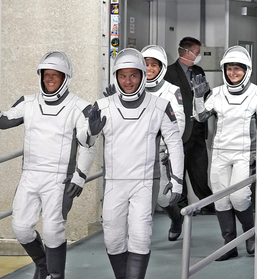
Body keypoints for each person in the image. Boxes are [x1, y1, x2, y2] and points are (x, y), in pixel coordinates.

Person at [0, 51, 96, 279]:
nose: (49, 79)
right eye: (45, 75)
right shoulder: (28, 102)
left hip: (60, 179)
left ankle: (56, 275)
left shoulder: (80, 107)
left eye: (55, 75)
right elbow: (3, 121)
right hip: (29, 176)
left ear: (65, 78)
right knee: (20, 228)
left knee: (52, 231)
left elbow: (87, 143)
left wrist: (80, 176)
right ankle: (43, 265)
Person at [86, 48, 184, 279]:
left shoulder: (160, 105)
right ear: (116, 77)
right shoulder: (102, 105)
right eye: (123, 76)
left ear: (142, 76)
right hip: (113, 184)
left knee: (140, 238)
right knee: (113, 239)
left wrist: (177, 181)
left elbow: (175, 144)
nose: (128, 81)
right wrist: (91, 132)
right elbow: (85, 141)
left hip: (143, 182)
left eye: (133, 75)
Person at [192, 45, 257, 261]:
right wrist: (198, 97)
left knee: (239, 198)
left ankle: (250, 234)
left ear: (246, 70)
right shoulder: (218, 93)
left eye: (238, 69)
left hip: (244, 154)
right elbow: (201, 117)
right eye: (229, 69)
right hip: (220, 153)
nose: (233, 73)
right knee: (221, 200)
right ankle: (229, 244)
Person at [164, 37, 215, 214]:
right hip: (179, 131)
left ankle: (209, 206)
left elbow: (206, 96)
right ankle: (181, 207)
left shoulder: (199, 70)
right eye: (197, 52)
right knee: (179, 169)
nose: (198, 56)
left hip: (198, 131)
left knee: (200, 170)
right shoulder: (169, 73)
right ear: (187, 52)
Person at [141, 45, 185, 241]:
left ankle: (176, 219)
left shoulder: (172, 91)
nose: (149, 69)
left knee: (161, 197)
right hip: (135, 152)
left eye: (153, 65)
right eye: (145, 64)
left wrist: (168, 148)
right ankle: (140, 238)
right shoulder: (134, 88)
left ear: (162, 67)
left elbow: (179, 122)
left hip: (159, 152)